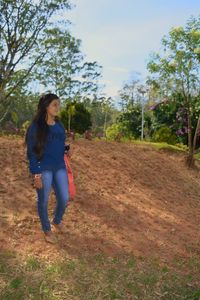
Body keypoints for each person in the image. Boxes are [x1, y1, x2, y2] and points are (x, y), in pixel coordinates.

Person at [25, 93, 69, 244]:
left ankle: (56, 221)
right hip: (43, 168)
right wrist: (36, 173)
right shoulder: (35, 127)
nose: (58, 107)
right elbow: (31, 152)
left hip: (59, 167)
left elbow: (61, 144)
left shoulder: (59, 125)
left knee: (64, 197)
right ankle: (47, 229)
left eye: (59, 104)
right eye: (54, 104)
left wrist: (66, 150)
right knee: (43, 201)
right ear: (46, 106)